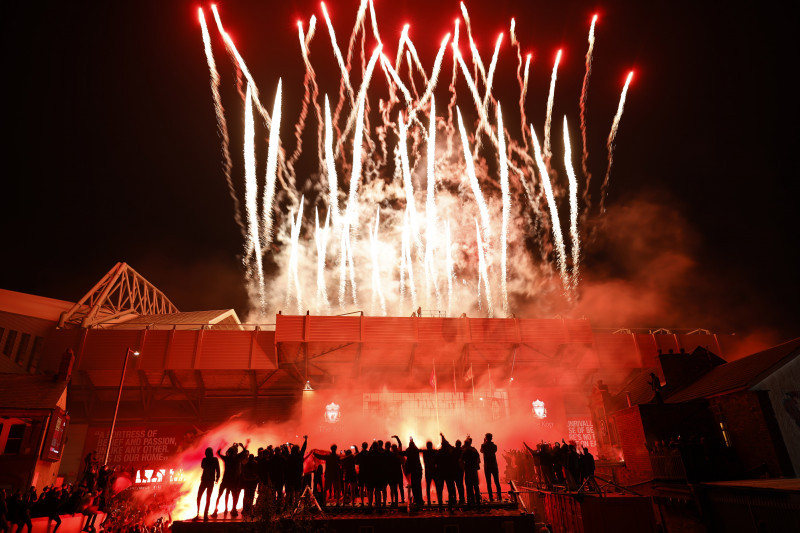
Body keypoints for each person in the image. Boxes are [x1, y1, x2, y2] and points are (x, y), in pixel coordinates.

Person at [214, 441, 249, 517]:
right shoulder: (237, 458)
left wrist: (222, 445)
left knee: (220, 495)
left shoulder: (227, 458)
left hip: (226, 480)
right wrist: (243, 445)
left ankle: (215, 511)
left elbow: (218, 453)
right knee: (234, 496)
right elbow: (245, 451)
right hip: (233, 481)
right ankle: (233, 510)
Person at [195, 447, 220, 521]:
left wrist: (217, 477)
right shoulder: (207, 460)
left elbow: (218, 469)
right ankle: (199, 513)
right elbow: (203, 466)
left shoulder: (212, 460)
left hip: (208, 481)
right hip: (205, 480)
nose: (206, 454)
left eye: (207, 452)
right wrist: (217, 477)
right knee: (200, 497)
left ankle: (204, 514)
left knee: (206, 497)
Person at [480, 433, 501, 502]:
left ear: (486, 438)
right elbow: (494, 451)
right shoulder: (494, 446)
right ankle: (499, 496)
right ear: (491, 438)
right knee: (497, 481)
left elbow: (481, 451)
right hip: (494, 465)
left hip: (487, 466)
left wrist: (484, 442)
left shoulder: (483, 445)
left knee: (488, 483)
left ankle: (491, 497)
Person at [462, 437, 481, 508]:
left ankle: (470, 502)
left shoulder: (465, 451)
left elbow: (461, 460)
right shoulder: (474, 450)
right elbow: (478, 460)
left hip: (468, 470)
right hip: (474, 470)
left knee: (468, 486)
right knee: (476, 486)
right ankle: (478, 502)